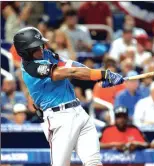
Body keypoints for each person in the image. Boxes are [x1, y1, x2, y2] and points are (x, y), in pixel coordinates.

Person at [13, 27, 124, 166]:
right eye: (35, 47)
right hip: (58, 118)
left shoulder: (45, 54)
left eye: (40, 45)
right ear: (25, 51)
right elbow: (70, 72)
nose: (41, 49)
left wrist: (96, 77)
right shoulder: (31, 69)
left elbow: (71, 64)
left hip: (79, 112)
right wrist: (103, 74)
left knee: (94, 162)